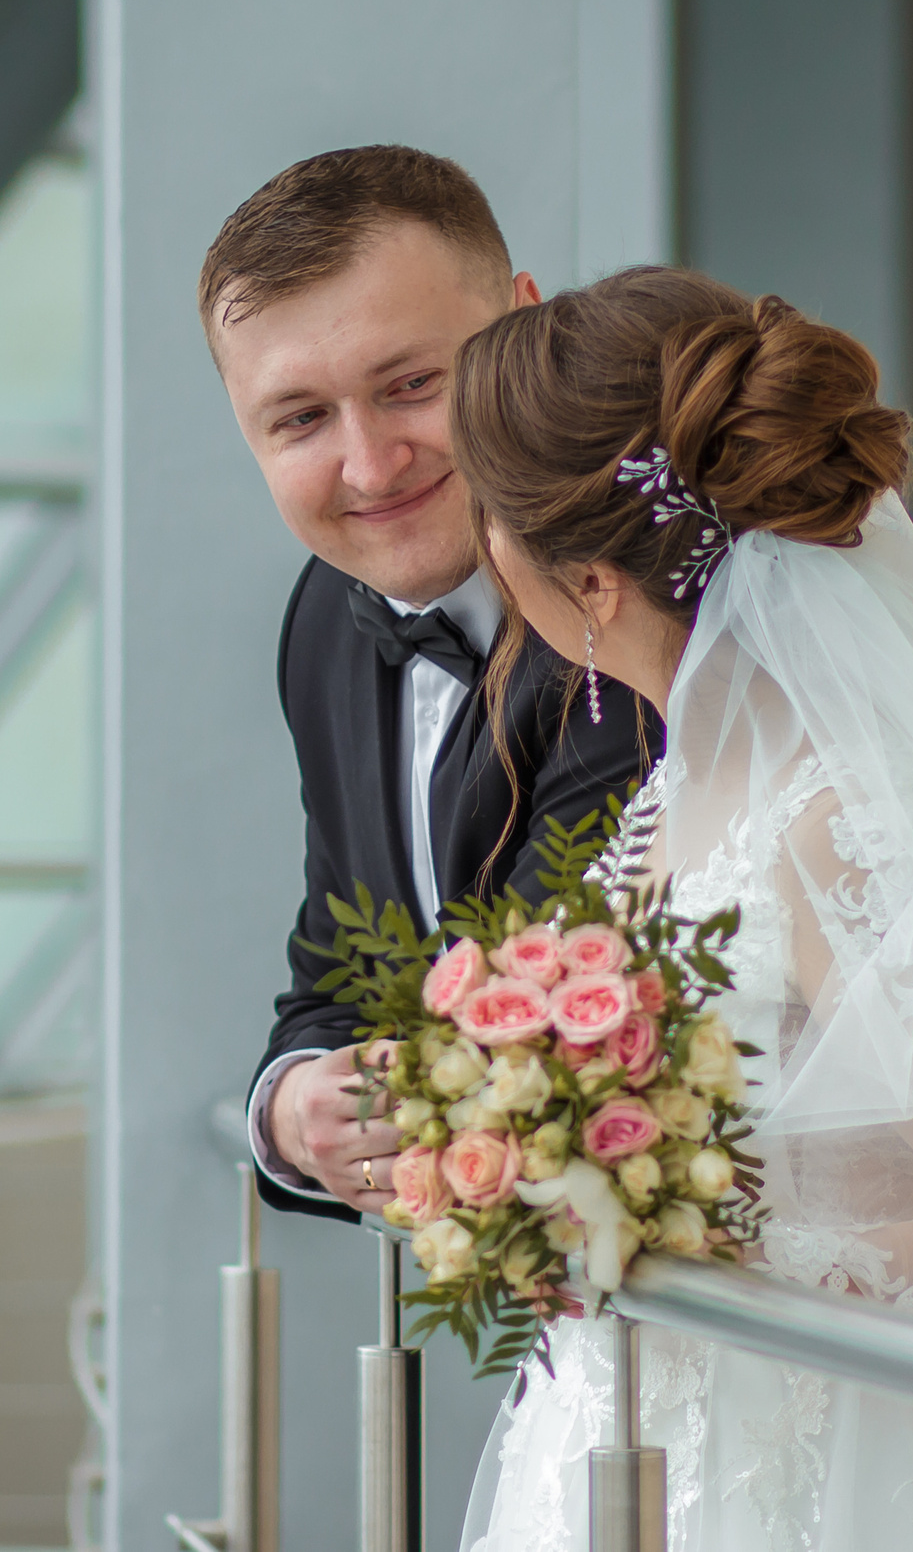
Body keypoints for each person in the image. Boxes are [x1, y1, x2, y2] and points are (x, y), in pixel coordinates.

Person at [447, 267, 913, 1549]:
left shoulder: (839, 821)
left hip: (809, 1465)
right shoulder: (678, 784)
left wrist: (714, 1243)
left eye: (490, 517)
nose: (485, 554)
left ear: (592, 583)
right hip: (625, 1429)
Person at [199, 147, 661, 1222]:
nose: (370, 467)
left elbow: (535, 1040)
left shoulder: (642, 612)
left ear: (526, 322)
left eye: (411, 386)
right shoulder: (326, 616)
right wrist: (289, 1113)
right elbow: (341, 970)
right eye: (300, 418)